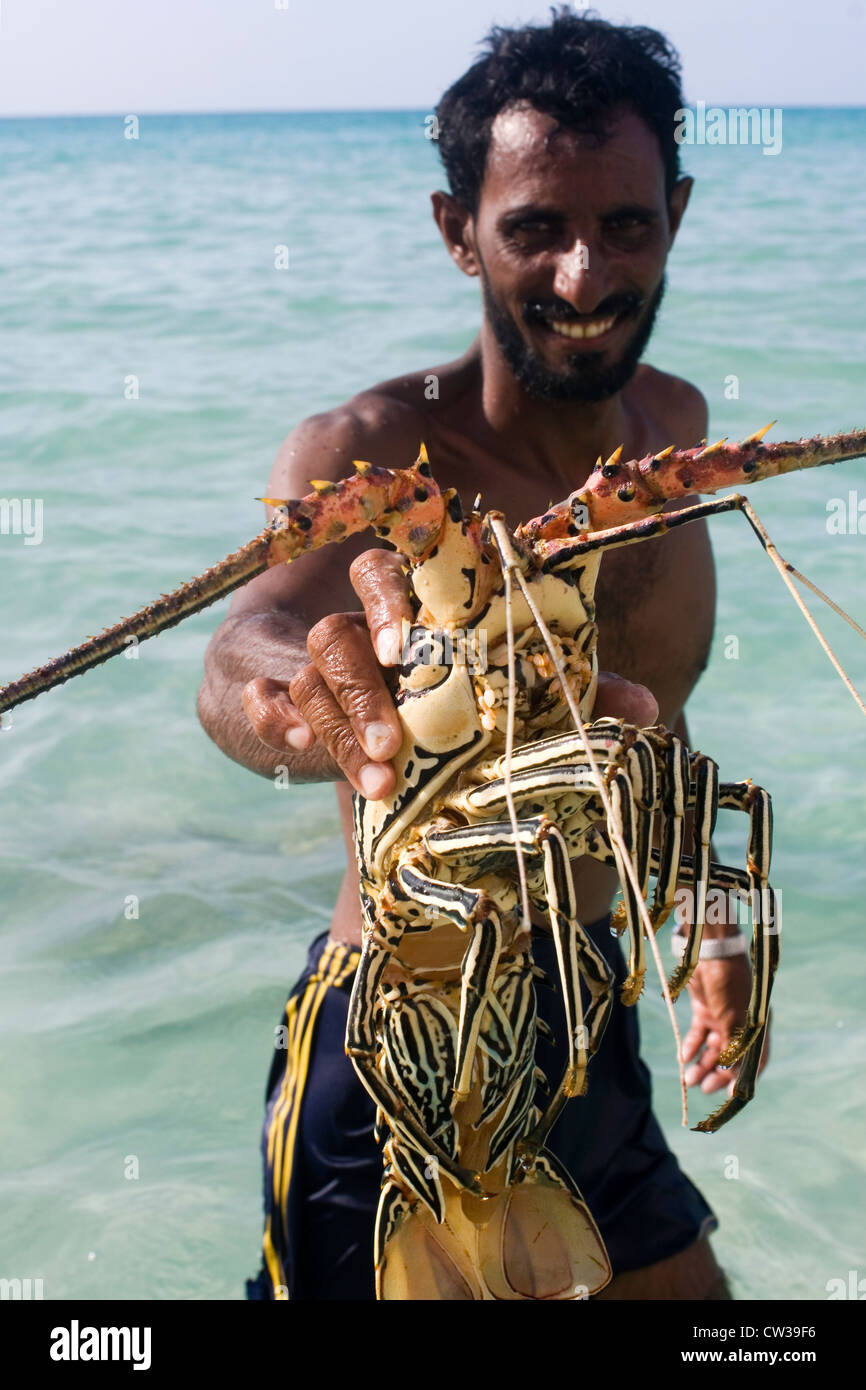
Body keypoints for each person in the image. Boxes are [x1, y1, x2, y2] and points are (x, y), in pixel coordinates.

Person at [198, 10, 766, 1300]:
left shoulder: (675, 436)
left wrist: (709, 916)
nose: (583, 276)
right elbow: (243, 645)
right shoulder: (370, 450)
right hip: (400, 1026)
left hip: (584, 1015)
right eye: (533, 229)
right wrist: (309, 700)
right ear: (459, 232)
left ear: (676, 211)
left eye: (624, 225)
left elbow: (652, 735)